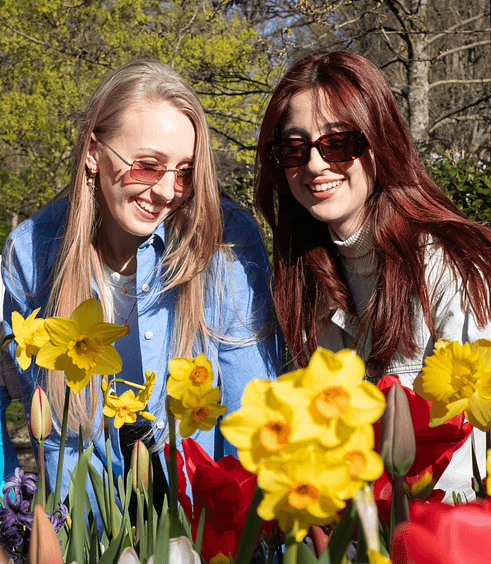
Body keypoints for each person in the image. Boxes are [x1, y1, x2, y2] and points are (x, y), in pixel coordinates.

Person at [2, 60, 282, 513]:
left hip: (203, 520)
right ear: (94, 151)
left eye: (185, 171)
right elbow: (57, 435)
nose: (168, 191)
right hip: (88, 528)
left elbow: (251, 412)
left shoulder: (224, 243)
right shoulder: (32, 254)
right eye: (148, 167)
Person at [253, 50, 491, 498]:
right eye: (294, 148)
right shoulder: (300, 280)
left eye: (338, 142)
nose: (314, 164)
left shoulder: (462, 265)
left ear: (379, 141)